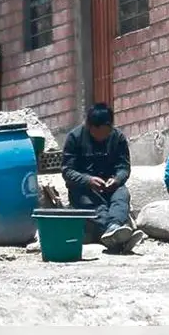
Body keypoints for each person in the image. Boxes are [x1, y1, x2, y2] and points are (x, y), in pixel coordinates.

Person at [61, 103, 146, 253]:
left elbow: (124, 167)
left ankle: (115, 227)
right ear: (90, 126)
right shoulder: (75, 138)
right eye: (99, 132)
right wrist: (88, 180)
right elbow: (67, 171)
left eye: (106, 132)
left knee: (122, 195)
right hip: (84, 191)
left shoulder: (118, 138)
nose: (103, 137)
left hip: (110, 188)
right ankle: (116, 233)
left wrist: (117, 179)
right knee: (91, 203)